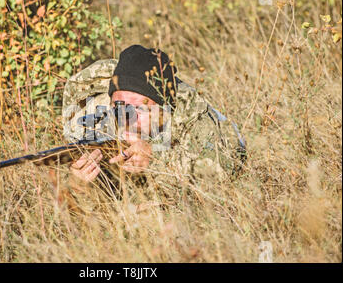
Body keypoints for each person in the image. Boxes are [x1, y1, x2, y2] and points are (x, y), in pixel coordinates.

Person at [60, 45, 246, 205]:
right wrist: (79, 185)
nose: (127, 117)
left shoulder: (192, 117)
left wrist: (156, 158)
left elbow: (220, 172)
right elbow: (85, 219)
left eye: (140, 108)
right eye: (119, 105)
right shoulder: (92, 115)